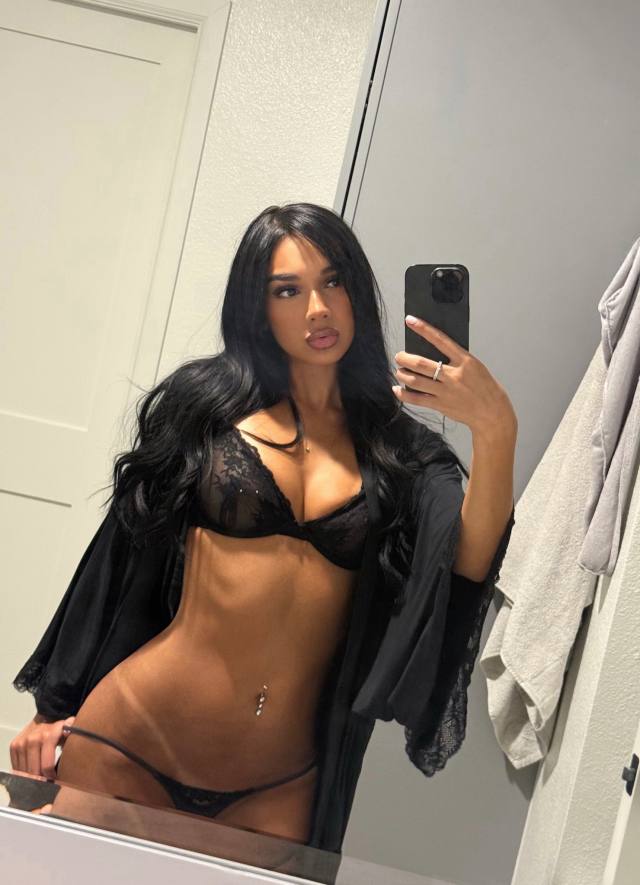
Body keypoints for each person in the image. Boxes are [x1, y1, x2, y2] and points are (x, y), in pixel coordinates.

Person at [10, 202, 517, 858]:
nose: (317, 309)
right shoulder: (205, 405)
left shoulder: (404, 456)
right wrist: (52, 708)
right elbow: (119, 555)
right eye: (288, 290)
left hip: (275, 788)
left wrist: (496, 429)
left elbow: (467, 563)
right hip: (131, 742)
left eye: (333, 282)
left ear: (357, 293)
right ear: (258, 305)